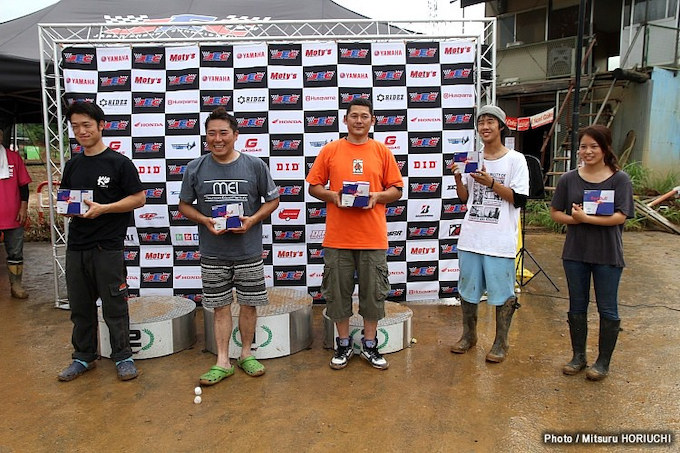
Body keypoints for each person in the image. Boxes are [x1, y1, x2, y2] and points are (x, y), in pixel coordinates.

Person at [179, 107, 279, 385]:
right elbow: (184, 205)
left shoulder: (254, 165)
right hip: (213, 252)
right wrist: (205, 220)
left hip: (248, 250)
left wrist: (253, 220)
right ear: (205, 137)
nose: (217, 139)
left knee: (249, 305)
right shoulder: (195, 168)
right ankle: (222, 361)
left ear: (236, 135)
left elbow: (273, 200)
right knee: (220, 307)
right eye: (211, 133)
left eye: (223, 133)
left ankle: (246, 354)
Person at [306, 98, 403, 370]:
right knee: (337, 295)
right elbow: (313, 186)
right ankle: (343, 343)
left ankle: (370, 344)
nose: (359, 121)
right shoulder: (331, 150)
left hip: (372, 238)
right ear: (345, 119)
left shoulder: (382, 151)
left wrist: (378, 196)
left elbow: (397, 189)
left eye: (364, 116)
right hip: (338, 238)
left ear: (373, 120)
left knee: (373, 295)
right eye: (354, 116)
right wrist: (333, 196)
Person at [57, 102, 146, 382]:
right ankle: (83, 357)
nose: (81, 131)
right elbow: (67, 200)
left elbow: (139, 198)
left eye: (86, 125)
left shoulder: (119, 163)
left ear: (101, 125)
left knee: (114, 306)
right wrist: (65, 207)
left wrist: (104, 209)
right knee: (80, 308)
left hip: (107, 248)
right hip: (77, 247)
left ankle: (123, 357)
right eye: (75, 126)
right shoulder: (73, 165)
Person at [550, 125, 634, 381]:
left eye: (594, 146)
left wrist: (586, 218)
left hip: (607, 254)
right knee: (577, 305)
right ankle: (578, 357)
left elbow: (621, 216)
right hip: (575, 253)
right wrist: (575, 220)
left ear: (605, 148)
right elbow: (556, 212)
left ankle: (602, 362)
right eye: (583, 147)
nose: (587, 151)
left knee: (608, 308)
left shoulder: (620, 179)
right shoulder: (568, 179)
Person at [450, 105, 529, 363]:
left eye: (490, 122)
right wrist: (458, 179)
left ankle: (501, 342)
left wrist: (492, 183)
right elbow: (465, 199)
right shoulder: (473, 158)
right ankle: (469, 336)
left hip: (499, 240)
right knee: (467, 290)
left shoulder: (516, 159)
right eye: (481, 122)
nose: (485, 127)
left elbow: (520, 199)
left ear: (501, 126)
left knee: (503, 294)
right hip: (471, 237)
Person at [0, 129, 32, 299]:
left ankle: (16, 286)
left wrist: (23, 207)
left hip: (13, 214)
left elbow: (23, 186)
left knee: (15, 252)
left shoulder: (13, 157)